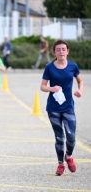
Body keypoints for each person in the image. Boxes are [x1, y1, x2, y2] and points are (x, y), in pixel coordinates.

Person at [40, 40, 84, 176]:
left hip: (68, 106)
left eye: (63, 49)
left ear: (67, 51)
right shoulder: (49, 67)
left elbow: (80, 81)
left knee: (71, 137)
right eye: (58, 50)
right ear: (54, 52)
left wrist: (80, 91)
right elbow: (42, 86)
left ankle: (69, 156)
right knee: (59, 138)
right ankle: (60, 164)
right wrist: (52, 88)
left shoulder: (73, 66)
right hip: (53, 107)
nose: (61, 52)